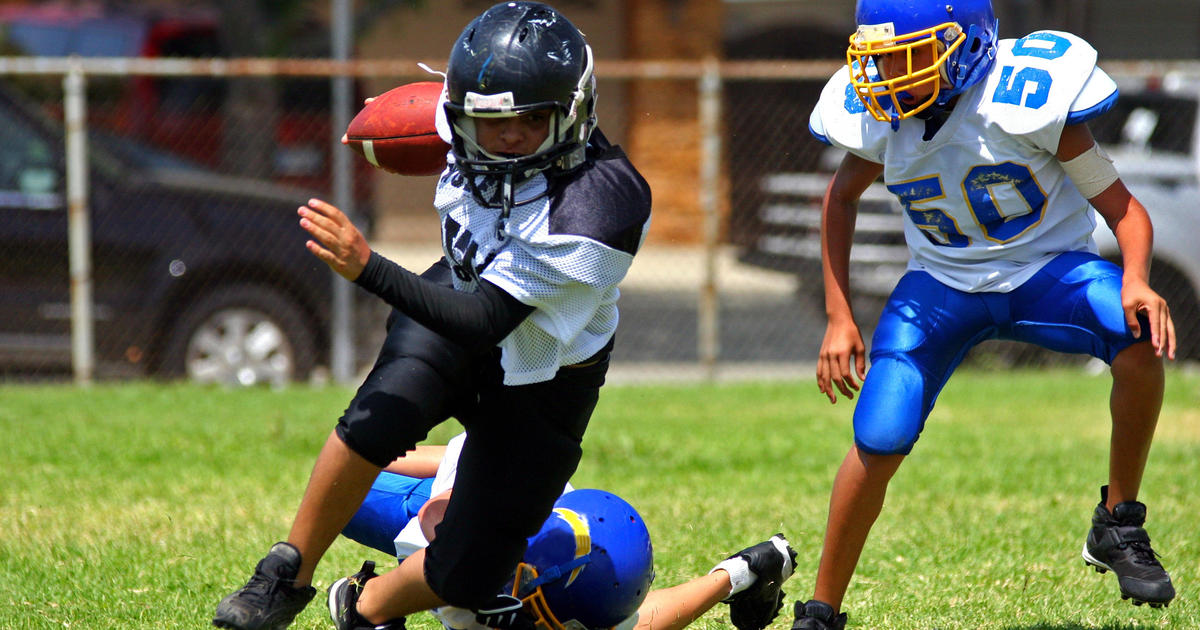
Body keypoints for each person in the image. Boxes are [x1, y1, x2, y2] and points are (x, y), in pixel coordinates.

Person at [212, 3, 652, 629]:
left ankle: (360, 608)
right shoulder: (459, 122)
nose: (505, 137)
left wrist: (370, 268)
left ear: (574, 112)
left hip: (544, 367)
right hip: (458, 292)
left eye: (529, 120)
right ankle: (285, 574)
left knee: (469, 574)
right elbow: (436, 127)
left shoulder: (600, 205)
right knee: (380, 414)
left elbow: (485, 322)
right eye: (485, 120)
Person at [794, 1, 1177, 628]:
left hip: (1047, 273)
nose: (888, 78)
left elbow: (1125, 210)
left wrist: (1135, 279)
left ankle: (1118, 522)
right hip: (940, 286)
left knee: (1137, 338)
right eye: (880, 60)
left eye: (908, 58)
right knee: (880, 433)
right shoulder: (885, 119)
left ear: (968, 44)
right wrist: (840, 315)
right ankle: (821, 609)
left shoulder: (1022, 100)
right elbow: (839, 200)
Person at [331, 432, 798, 630]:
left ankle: (754, 568)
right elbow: (347, 601)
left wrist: (736, 574)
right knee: (344, 487)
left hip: (478, 496)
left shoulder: (581, 576)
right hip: (438, 498)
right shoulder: (475, 553)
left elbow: (640, 621)